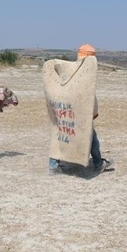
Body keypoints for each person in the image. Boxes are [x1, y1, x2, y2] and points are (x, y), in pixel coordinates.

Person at [48, 44, 113, 175]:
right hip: (79, 112)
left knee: (60, 134)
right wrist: (93, 112)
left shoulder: (67, 72)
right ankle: (98, 164)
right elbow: (89, 98)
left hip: (65, 111)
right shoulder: (85, 75)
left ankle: (53, 165)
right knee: (91, 136)